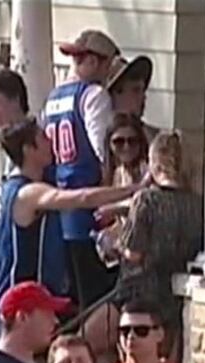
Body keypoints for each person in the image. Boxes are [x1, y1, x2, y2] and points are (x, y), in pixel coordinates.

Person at [0, 118, 139, 299]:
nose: (50, 142)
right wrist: (134, 189)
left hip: (18, 294)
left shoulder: (6, 188)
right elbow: (83, 198)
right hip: (24, 299)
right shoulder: (28, 193)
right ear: (28, 149)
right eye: (43, 139)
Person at [43, 29, 120, 307]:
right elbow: (104, 148)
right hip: (88, 211)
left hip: (59, 209)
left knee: (70, 296)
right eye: (108, 64)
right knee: (95, 298)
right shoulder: (94, 95)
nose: (109, 72)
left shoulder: (53, 99)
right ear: (95, 61)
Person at [112, 131, 203, 359]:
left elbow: (133, 252)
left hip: (142, 292)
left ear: (155, 162)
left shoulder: (146, 200)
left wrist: (112, 243)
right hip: (175, 293)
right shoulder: (197, 203)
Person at [96, 113, 150, 267]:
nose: (126, 147)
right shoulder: (114, 173)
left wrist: (115, 209)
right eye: (119, 142)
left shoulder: (147, 170)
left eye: (132, 141)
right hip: (124, 250)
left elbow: (145, 206)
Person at [106, 55, 160, 142]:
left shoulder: (155, 139)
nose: (143, 96)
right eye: (136, 90)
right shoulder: (98, 134)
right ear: (116, 93)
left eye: (143, 90)